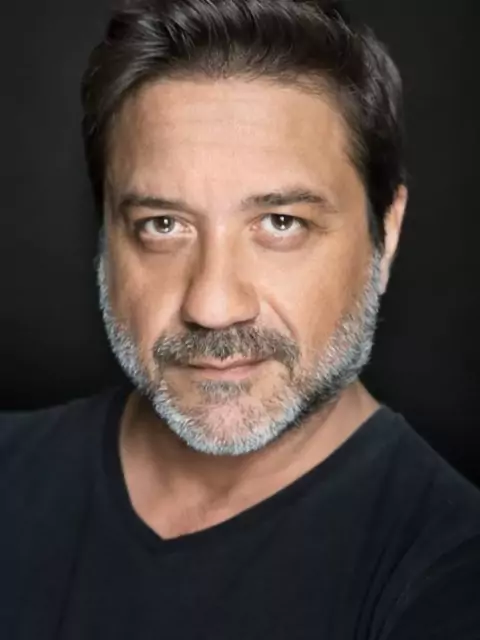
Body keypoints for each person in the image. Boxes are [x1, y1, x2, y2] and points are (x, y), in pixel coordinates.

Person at [1, 0, 480, 637]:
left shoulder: (449, 571)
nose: (213, 305)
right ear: (106, 238)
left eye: (281, 223)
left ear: (384, 234)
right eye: (163, 225)